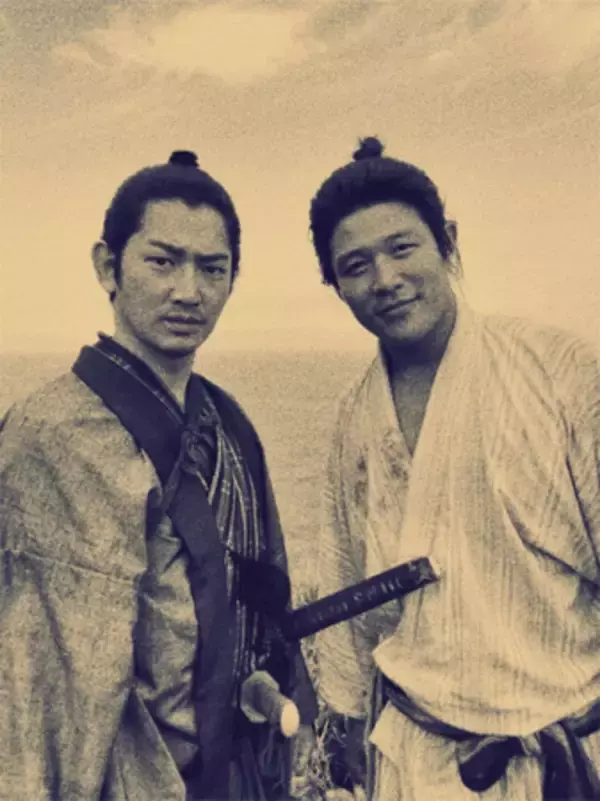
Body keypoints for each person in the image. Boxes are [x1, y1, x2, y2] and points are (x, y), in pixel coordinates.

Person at [0, 150, 317, 800]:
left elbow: (256, 603)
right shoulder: (53, 434)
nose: (188, 291)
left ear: (233, 278)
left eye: (212, 268)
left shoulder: (226, 422)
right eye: (163, 261)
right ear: (107, 266)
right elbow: (41, 692)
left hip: (233, 772)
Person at [309, 136, 600, 800]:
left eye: (402, 248)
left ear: (448, 242)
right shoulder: (354, 416)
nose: (385, 279)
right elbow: (346, 581)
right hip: (418, 758)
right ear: (335, 285)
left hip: (565, 753)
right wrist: (347, 724)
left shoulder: (558, 370)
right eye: (356, 265)